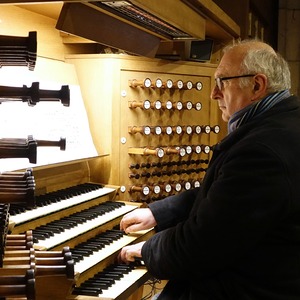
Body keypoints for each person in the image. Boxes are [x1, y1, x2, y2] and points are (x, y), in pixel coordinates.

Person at [118, 39, 300, 299]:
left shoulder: (263, 150)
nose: (213, 94)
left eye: (221, 82)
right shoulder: (283, 123)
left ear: (257, 85)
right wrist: (159, 213)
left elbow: (200, 247)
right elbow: (225, 196)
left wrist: (147, 249)